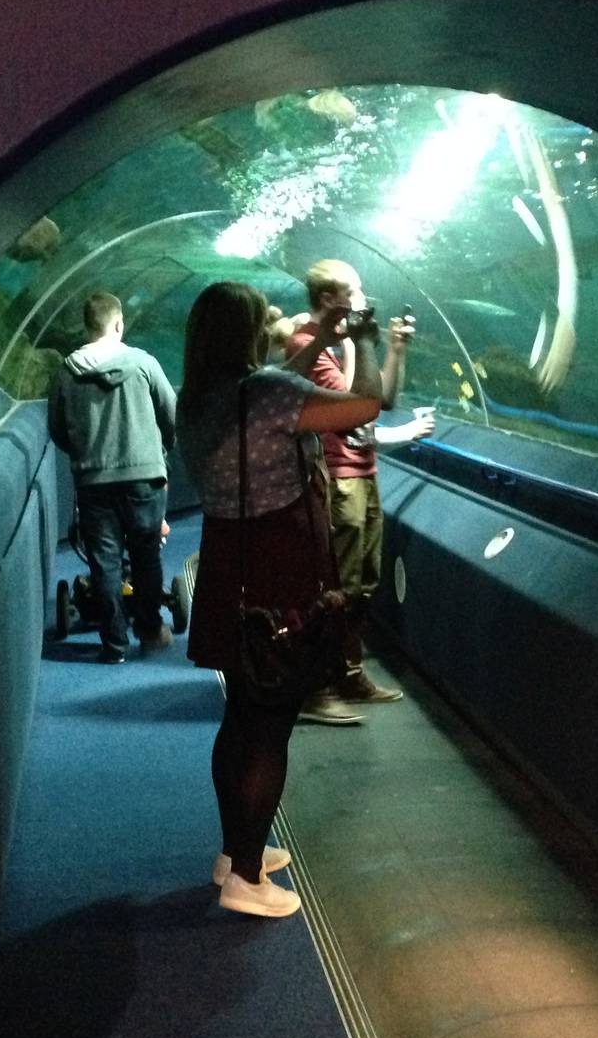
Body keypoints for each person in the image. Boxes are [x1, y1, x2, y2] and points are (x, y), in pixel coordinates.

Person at [176, 280, 382, 918]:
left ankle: (235, 850)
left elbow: (276, 382)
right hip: (280, 565)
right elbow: (365, 406)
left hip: (230, 566)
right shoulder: (265, 391)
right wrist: (366, 342)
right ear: (247, 333)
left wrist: (321, 340)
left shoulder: (199, 398)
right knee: (271, 726)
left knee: (241, 714)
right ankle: (245, 877)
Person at [282, 258, 430, 724]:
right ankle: (316, 685)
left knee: (364, 584)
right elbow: (354, 410)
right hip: (336, 476)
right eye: (355, 291)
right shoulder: (306, 344)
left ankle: (348, 672)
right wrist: (352, 344)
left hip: (364, 471)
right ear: (329, 299)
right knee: (335, 587)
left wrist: (396, 351)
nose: (364, 299)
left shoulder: (336, 344)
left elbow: (382, 400)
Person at [48, 291, 177, 664]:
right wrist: (161, 451)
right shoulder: (144, 363)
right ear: (119, 323)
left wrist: (83, 453)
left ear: (87, 326)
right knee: (146, 556)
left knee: (104, 562)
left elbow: (57, 429)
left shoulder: (66, 372)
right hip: (144, 476)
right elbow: (170, 412)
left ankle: (114, 645)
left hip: (93, 480)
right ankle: (150, 632)